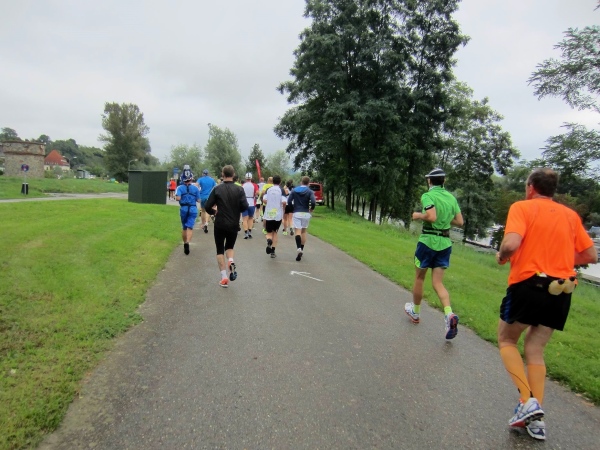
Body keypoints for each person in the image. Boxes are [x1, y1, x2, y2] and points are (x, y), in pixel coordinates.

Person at [495, 168, 597, 441]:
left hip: (530, 285)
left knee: (506, 339)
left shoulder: (522, 207)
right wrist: (558, 258)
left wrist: (502, 256)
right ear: (552, 189)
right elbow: (591, 255)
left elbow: (511, 243)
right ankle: (536, 419)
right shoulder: (570, 215)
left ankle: (527, 400)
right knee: (535, 349)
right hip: (562, 289)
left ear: (531, 187)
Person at [404, 168, 464, 340]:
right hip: (445, 243)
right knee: (438, 282)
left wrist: (418, 215)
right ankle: (449, 314)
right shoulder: (451, 198)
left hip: (428, 241)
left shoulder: (427, 196)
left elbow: (431, 216)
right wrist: (444, 218)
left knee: (419, 278)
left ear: (429, 181)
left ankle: (415, 312)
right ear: (443, 181)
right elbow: (460, 222)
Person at [204, 165, 248, 288]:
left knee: (219, 249)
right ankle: (231, 260)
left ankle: (224, 278)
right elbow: (245, 206)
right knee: (229, 246)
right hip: (233, 223)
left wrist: (214, 212)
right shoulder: (239, 189)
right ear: (233, 175)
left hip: (220, 223)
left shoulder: (217, 189)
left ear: (222, 175)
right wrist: (236, 209)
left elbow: (207, 206)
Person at [287, 176, 316, 261]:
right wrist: (312, 208)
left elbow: (289, 201)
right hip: (306, 213)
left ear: (301, 182)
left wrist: (292, 208)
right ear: (308, 183)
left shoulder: (294, 190)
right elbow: (313, 201)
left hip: (297, 212)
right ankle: (302, 249)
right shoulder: (310, 191)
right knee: (303, 232)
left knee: (298, 231)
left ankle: (298, 248)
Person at [175, 174, 201, 255]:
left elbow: (178, 198)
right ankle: (187, 242)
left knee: (184, 227)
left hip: (184, 208)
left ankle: (184, 243)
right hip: (192, 208)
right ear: (191, 179)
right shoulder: (195, 188)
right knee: (190, 227)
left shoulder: (179, 188)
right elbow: (199, 200)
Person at [263, 175, 286, 258]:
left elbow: (264, 200)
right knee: (275, 232)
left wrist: (270, 202)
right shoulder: (281, 190)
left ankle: (269, 240)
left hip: (269, 213)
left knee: (269, 232)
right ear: (280, 182)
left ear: (272, 181)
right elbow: (284, 202)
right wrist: (283, 209)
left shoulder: (268, 189)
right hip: (277, 214)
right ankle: (273, 251)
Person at [198, 168, 217, 234]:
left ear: (203, 174)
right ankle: (206, 222)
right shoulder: (212, 180)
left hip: (202, 196)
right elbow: (215, 187)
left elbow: (196, 185)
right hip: (209, 197)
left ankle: (203, 224)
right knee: (208, 210)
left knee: (203, 210)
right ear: (208, 174)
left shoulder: (200, 179)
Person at [242, 173, 258, 239]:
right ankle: (249, 232)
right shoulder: (254, 185)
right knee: (251, 218)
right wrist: (256, 196)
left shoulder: (243, 185)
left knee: (244, 219)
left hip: (244, 202)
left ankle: (246, 232)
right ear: (251, 178)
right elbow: (257, 193)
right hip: (252, 202)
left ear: (245, 178)